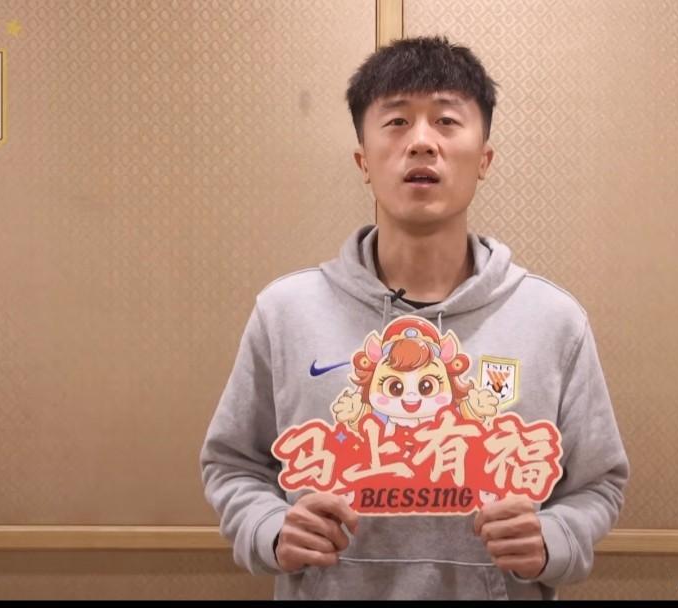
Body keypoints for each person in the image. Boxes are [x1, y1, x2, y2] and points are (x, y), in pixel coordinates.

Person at [200, 34, 629, 600]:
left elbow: (598, 484)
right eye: (397, 122)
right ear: (363, 160)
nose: (422, 142)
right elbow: (232, 463)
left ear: (484, 159)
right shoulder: (285, 312)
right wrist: (270, 528)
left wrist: (555, 540)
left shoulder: (553, 320)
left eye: (447, 121)